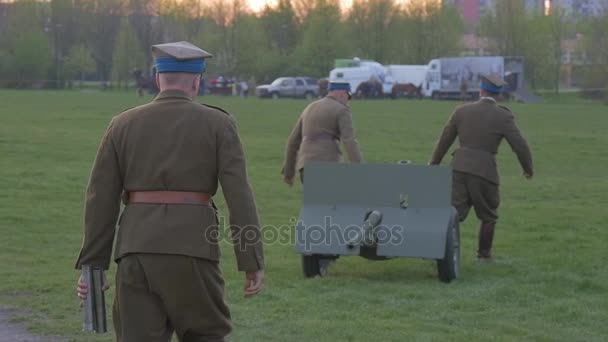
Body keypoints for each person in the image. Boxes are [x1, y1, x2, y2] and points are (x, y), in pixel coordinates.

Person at [74, 41, 265, 342]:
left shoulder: (121, 124)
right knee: (206, 334)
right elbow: (239, 197)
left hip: (136, 250)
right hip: (194, 249)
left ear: (158, 78)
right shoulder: (219, 123)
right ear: (196, 80)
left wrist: (93, 265)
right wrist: (251, 261)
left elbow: (100, 199)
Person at [429, 74, 533, 260]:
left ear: (481, 91)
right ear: (499, 95)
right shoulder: (503, 115)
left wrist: (433, 164)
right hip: (485, 173)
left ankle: (438, 251)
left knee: (451, 213)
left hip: (458, 169)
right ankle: (484, 256)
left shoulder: (461, 111)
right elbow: (520, 145)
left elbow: (445, 140)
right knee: (488, 216)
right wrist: (528, 169)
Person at [281, 81, 363, 185]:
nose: (347, 101)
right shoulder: (342, 110)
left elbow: (292, 142)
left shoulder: (309, 107)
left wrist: (289, 173)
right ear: (342, 93)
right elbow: (349, 141)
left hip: (305, 167)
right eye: (348, 97)